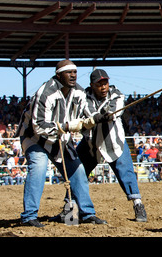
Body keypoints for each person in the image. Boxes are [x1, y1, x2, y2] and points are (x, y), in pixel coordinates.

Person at [17, 60, 106, 227]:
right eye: (68, 72)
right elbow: (39, 127)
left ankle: (87, 213)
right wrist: (67, 126)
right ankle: (29, 216)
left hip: (61, 139)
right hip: (34, 138)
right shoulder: (45, 93)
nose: (73, 75)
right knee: (38, 166)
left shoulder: (79, 92)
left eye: (75, 72)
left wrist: (98, 117)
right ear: (58, 75)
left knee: (78, 171)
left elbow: (88, 112)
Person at [70, 69, 147, 222]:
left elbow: (115, 111)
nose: (103, 87)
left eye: (105, 83)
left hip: (115, 142)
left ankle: (138, 205)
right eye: (99, 84)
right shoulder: (84, 97)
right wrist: (100, 116)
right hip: (91, 143)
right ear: (92, 85)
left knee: (127, 173)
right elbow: (89, 113)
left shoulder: (117, 94)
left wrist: (109, 113)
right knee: (76, 172)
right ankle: (70, 207)